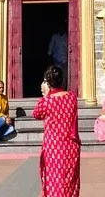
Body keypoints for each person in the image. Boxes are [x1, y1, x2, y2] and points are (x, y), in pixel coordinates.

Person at [33, 65, 81, 197]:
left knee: (55, 179)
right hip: (71, 145)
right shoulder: (72, 97)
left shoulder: (46, 102)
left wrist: (45, 94)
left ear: (48, 82)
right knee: (70, 179)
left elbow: (36, 114)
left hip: (54, 147)